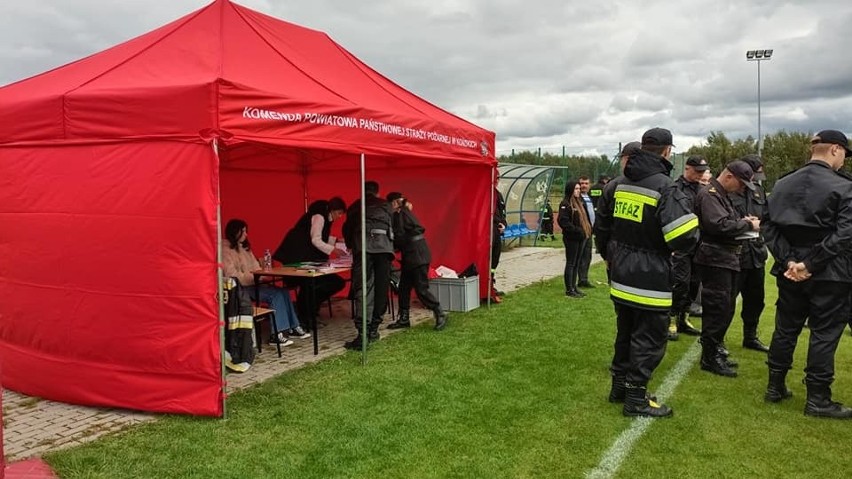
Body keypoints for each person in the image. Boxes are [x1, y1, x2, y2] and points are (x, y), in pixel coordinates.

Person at [594, 128, 699, 417]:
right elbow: (683, 237)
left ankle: (619, 387)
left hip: (621, 271)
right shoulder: (666, 187)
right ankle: (636, 399)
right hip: (651, 275)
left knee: (625, 333)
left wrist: (610, 257)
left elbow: (602, 228)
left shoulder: (618, 184)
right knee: (650, 338)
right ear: (667, 151)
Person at [762, 130, 852, 418]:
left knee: (786, 326)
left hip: (792, 269)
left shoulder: (783, 183)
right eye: (844, 156)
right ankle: (818, 398)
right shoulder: (844, 187)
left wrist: (791, 260)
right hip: (830, 271)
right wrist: (809, 264)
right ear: (836, 150)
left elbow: (767, 226)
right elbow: (844, 234)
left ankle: (774, 386)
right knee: (824, 334)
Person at [693, 161, 759, 378]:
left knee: (724, 306)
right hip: (715, 258)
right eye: (741, 183)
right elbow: (718, 225)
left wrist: (741, 221)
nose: (742, 189)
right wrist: (748, 225)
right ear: (729, 176)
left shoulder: (720, 194)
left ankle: (715, 353)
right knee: (716, 307)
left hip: (725, 257)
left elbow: (726, 222)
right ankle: (710, 357)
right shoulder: (710, 194)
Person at [223, 219, 309, 346]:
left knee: (283, 292)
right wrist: (255, 276)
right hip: (240, 289)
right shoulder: (225, 251)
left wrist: (261, 275)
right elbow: (232, 275)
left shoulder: (245, 248)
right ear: (235, 232)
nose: (246, 234)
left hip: (254, 284)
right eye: (244, 231)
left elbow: (255, 266)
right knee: (275, 295)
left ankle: (293, 326)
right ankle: (276, 334)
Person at [273, 197, 348, 321]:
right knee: (309, 283)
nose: (340, 216)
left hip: (304, 256)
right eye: (339, 213)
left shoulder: (324, 216)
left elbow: (320, 235)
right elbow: (315, 240)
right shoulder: (319, 216)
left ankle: (310, 309)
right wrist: (333, 249)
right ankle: (306, 315)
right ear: (333, 210)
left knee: (332, 282)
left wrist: (337, 240)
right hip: (297, 255)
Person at [342, 181, 395, 350]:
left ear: (362, 191)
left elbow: (347, 229)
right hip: (384, 249)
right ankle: (373, 330)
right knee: (381, 288)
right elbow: (393, 227)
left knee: (362, 289)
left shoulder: (356, 206)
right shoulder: (386, 205)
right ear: (377, 192)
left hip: (363, 249)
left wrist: (351, 245)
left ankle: (362, 334)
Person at [385, 192, 448, 330]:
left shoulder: (401, 215)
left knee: (421, 289)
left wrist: (391, 246)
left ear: (394, 203)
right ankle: (404, 318)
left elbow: (400, 235)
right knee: (403, 288)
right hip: (413, 255)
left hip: (416, 255)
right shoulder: (405, 213)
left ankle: (439, 312)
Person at [730, 154, 770, 353]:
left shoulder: (759, 193)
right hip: (735, 255)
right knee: (727, 302)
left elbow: (767, 218)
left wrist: (758, 222)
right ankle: (715, 342)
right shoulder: (728, 193)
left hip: (756, 254)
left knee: (756, 300)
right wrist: (745, 222)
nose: (756, 179)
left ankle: (750, 336)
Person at [668, 155, 707, 341]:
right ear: (687, 169)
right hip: (682, 245)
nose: (700, 175)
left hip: (698, 244)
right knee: (679, 283)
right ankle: (671, 320)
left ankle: (685, 318)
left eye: (702, 172)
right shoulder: (676, 188)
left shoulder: (703, 190)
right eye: (697, 171)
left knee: (694, 283)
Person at [597, 142, 641, 282]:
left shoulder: (612, 186)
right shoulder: (659, 184)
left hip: (617, 254)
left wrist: (606, 254)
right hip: (648, 258)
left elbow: (602, 227)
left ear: (626, 159)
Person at [558, 181, 592, 297]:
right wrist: (577, 230)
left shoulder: (579, 203)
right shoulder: (566, 203)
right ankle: (569, 290)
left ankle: (574, 287)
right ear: (571, 190)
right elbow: (563, 221)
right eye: (576, 189)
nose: (578, 190)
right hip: (572, 238)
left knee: (577, 263)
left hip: (581, 238)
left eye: (578, 188)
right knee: (571, 263)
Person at [576, 176, 595, 288]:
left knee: (587, 256)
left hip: (590, 231)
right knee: (579, 256)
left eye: (586, 183)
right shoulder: (577, 198)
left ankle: (584, 279)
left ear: (589, 185)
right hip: (581, 232)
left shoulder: (589, 197)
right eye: (582, 183)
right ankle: (577, 279)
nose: (584, 185)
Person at [490, 183, 508, 302]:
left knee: (495, 260)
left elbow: (502, 213)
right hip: (490, 231)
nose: (497, 180)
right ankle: (488, 286)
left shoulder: (498, 195)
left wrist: (503, 225)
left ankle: (492, 284)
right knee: (489, 259)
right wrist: (497, 223)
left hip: (498, 231)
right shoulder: (487, 194)